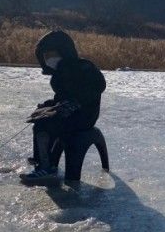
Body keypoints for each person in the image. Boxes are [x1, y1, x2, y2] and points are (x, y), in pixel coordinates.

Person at [20, 30, 106, 183]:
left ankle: (46, 167)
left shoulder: (84, 67)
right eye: (45, 57)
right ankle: (43, 161)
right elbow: (61, 98)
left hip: (86, 115)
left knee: (48, 124)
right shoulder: (58, 76)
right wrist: (50, 106)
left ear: (64, 51)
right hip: (69, 114)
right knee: (40, 121)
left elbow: (99, 86)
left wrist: (76, 102)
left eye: (50, 55)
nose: (48, 60)